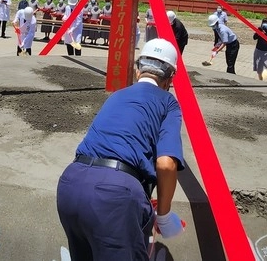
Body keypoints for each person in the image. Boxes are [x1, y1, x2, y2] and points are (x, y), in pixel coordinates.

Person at [56, 39, 187, 259]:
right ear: (169, 79)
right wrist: (163, 217)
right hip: (115, 196)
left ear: (138, 71)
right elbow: (166, 164)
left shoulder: (117, 95)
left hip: (70, 183)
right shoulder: (168, 103)